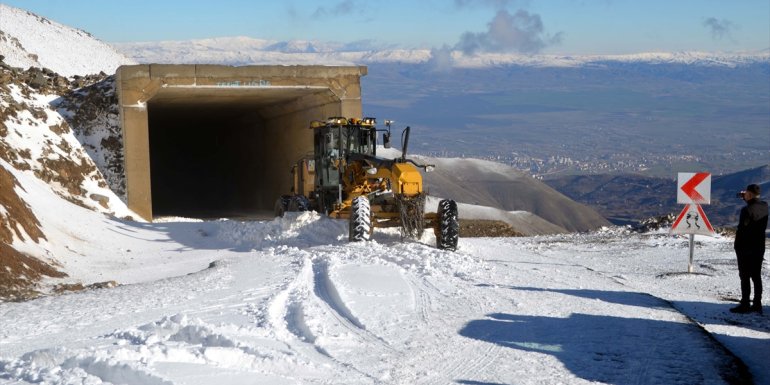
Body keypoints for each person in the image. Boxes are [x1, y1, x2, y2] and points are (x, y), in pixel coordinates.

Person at [730, 183, 768, 314]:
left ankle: (745, 304)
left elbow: (743, 228)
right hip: (759, 246)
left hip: (745, 248)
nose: (744, 195)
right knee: (756, 276)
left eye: (746, 193)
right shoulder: (765, 206)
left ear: (750, 194)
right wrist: (747, 199)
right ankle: (757, 304)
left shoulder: (746, 210)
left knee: (744, 276)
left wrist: (737, 245)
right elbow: (755, 207)